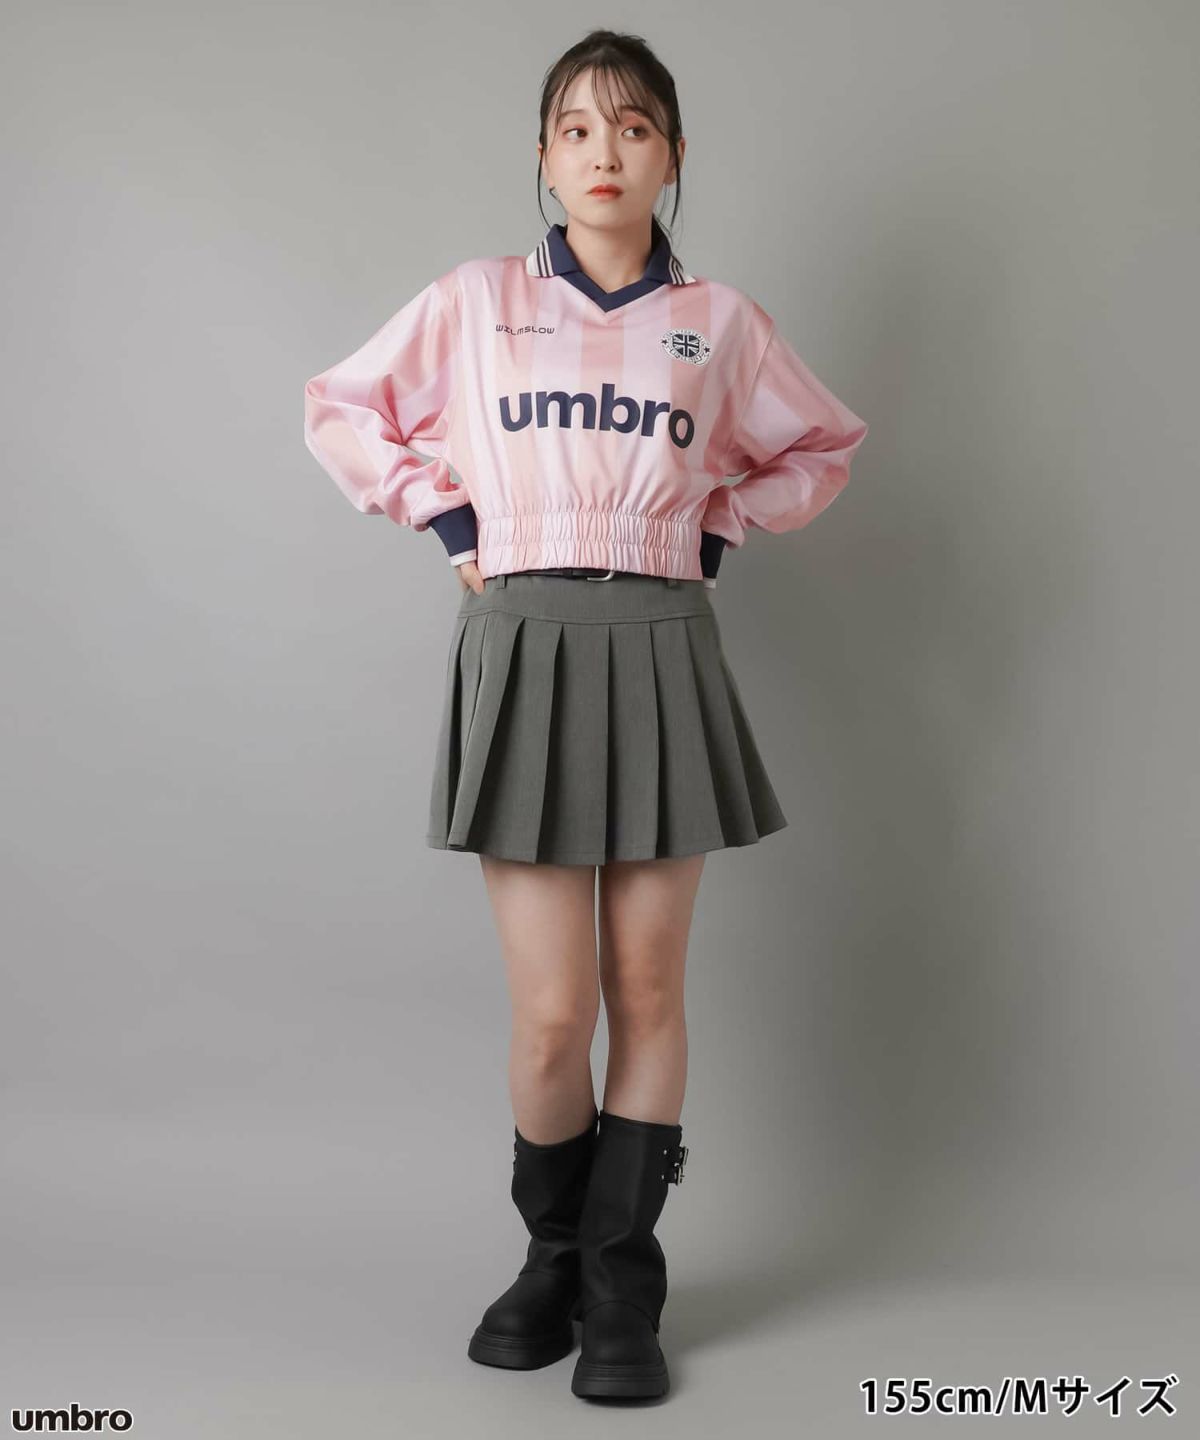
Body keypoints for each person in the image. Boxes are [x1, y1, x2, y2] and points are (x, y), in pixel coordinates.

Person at [303, 27, 868, 1403]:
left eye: (632, 127)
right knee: (556, 1015)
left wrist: (717, 527)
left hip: (663, 642)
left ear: (672, 155)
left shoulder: (719, 322)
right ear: (544, 159)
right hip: (525, 642)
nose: (602, 153)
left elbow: (821, 444)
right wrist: (448, 518)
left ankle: (624, 1279)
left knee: (648, 989)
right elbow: (342, 406)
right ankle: (550, 1257)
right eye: (574, 128)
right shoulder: (477, 299)